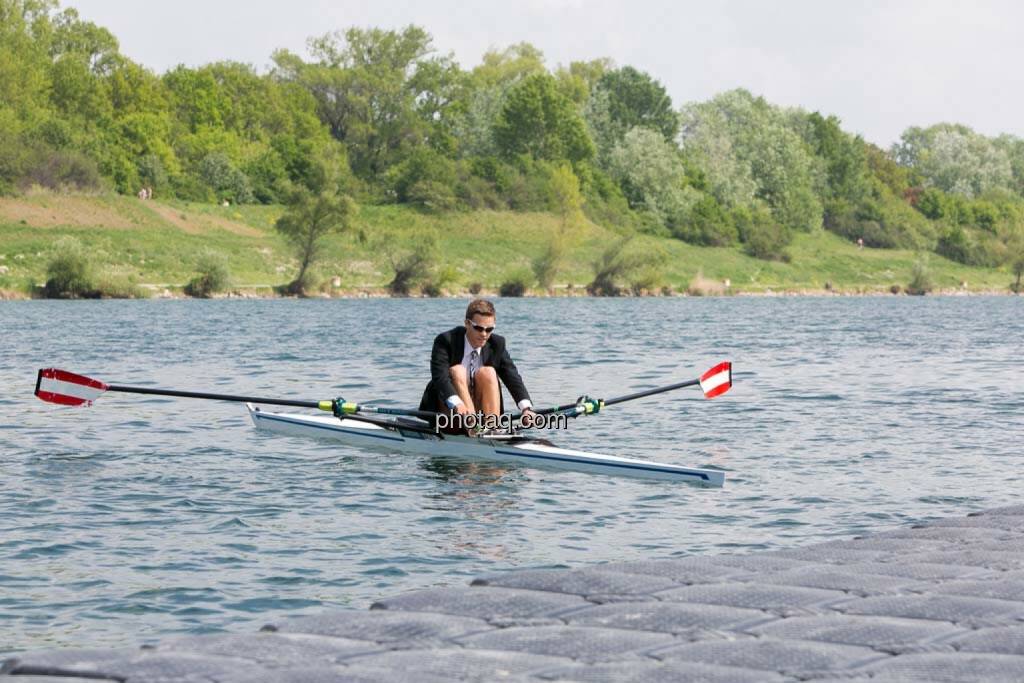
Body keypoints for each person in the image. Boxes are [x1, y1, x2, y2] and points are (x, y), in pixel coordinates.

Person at [419, 299, 535, 433]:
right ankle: (474, 428)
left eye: (489, 329)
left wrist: (526, 409)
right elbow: (440, 378)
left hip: (482, 414)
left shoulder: (497, 344)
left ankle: (492, 428)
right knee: (457, 370)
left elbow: (512, 377)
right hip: (449, 413)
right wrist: (457, 403)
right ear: (467, 323)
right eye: (479, 328)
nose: (484, 334)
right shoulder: (446, 341)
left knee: (488, 372)